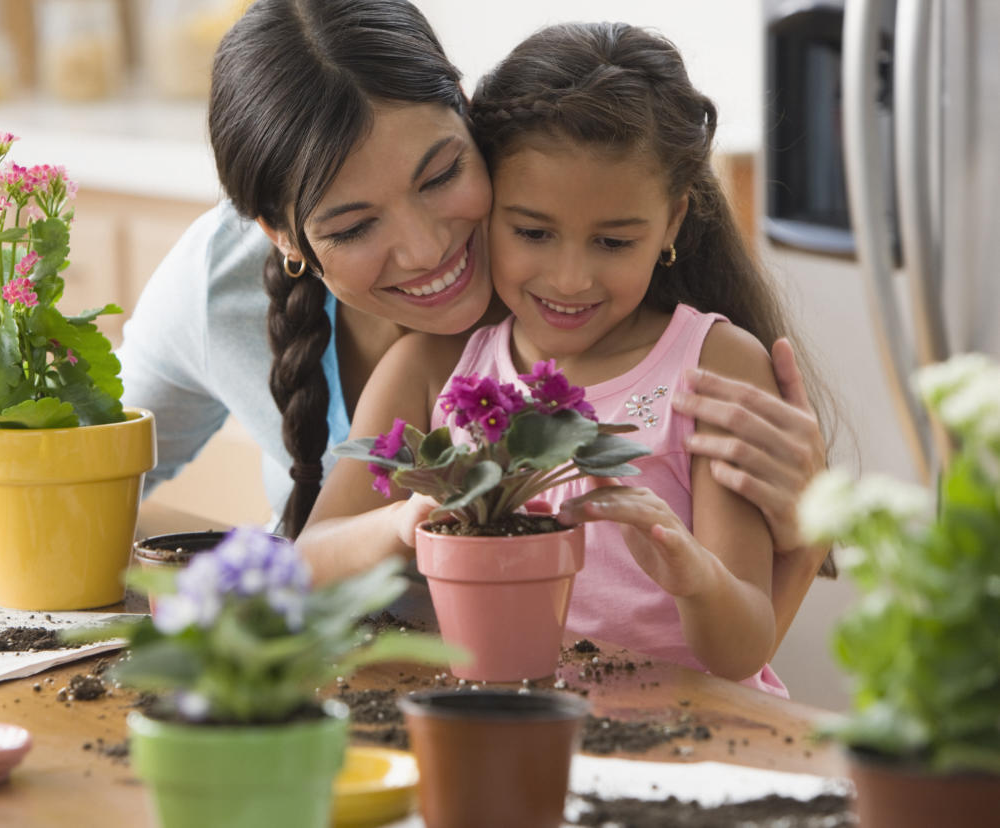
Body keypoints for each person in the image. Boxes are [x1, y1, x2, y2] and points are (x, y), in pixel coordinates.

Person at [0, 1, 830, 643]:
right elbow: (58, 505)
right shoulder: (233, 298)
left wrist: (810, 527)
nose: (423, 251)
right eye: (354, 226)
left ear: (475, 122)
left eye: (442, 175)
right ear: (283, 237)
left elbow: (733, 643)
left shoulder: (630, 293)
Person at [298, 21, 838, 694]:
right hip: (505, 723)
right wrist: (406, 518)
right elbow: (306, 565)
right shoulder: (433, 367)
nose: (570, 278)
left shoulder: (712, 367)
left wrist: (694, 574)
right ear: (488, 202)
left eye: (612, 242)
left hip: (685, 745)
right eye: (533, 232)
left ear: (671, 222)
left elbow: (740, 650)